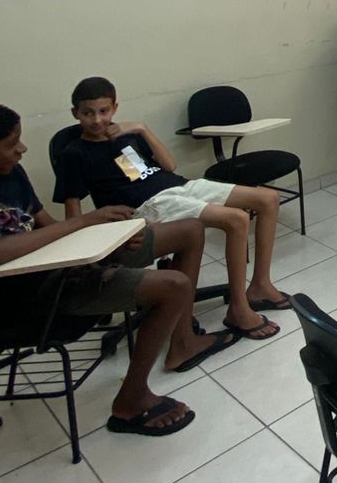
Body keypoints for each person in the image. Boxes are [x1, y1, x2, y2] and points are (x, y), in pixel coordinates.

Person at [0, 103, 233, 436]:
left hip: (61, 266)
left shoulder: (10, 174)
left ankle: (182, 341)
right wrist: (83, 223)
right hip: (29, 296)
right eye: (12, 144)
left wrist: (107, 241)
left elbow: (49, 228)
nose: (22, 149)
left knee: (189, 229)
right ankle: (131, 402)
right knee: (174, 285)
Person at [53, 78, 287, 342]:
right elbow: (73, 211)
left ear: (115, 108)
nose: (97, 120)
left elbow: (168, 165)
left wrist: (142, 129)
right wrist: (88, 255)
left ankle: (260, 287)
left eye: (104, 111)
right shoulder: (74, 153)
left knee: (269, 199)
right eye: (88, 113)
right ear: (75, 114)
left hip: (178, 187)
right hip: (148, 205)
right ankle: (238, 308)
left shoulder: (124, 136)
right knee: (236, 219)